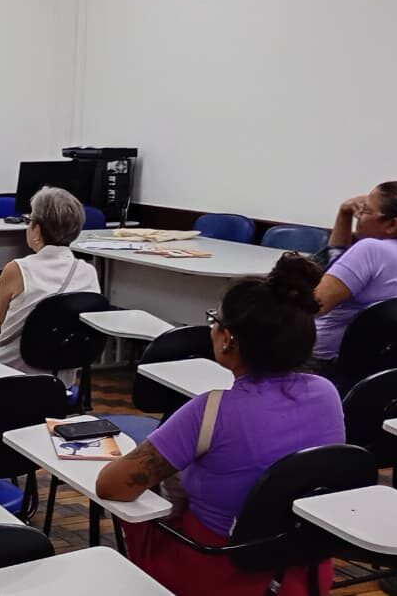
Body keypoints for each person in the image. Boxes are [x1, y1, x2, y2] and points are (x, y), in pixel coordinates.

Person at [95, 254, 345, 596]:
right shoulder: (326, 393)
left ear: (229, 339)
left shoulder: (211, 410)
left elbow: (112, 486)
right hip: (304, 567)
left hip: (217, 567)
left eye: (215, 320)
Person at [311, 181, 397, 374]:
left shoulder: (371, 249)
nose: (359, 216)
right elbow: (333, 262)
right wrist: (345, 213)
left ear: (392, 224)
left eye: (365, 210)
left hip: (319, 362)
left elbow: (313, 305)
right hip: (364, 366)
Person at [0, 187, 99, 383]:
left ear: (36, 230)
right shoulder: (88, 272)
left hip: (10, 370)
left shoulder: (17, 268)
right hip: (60, 375)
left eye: (29, 221)